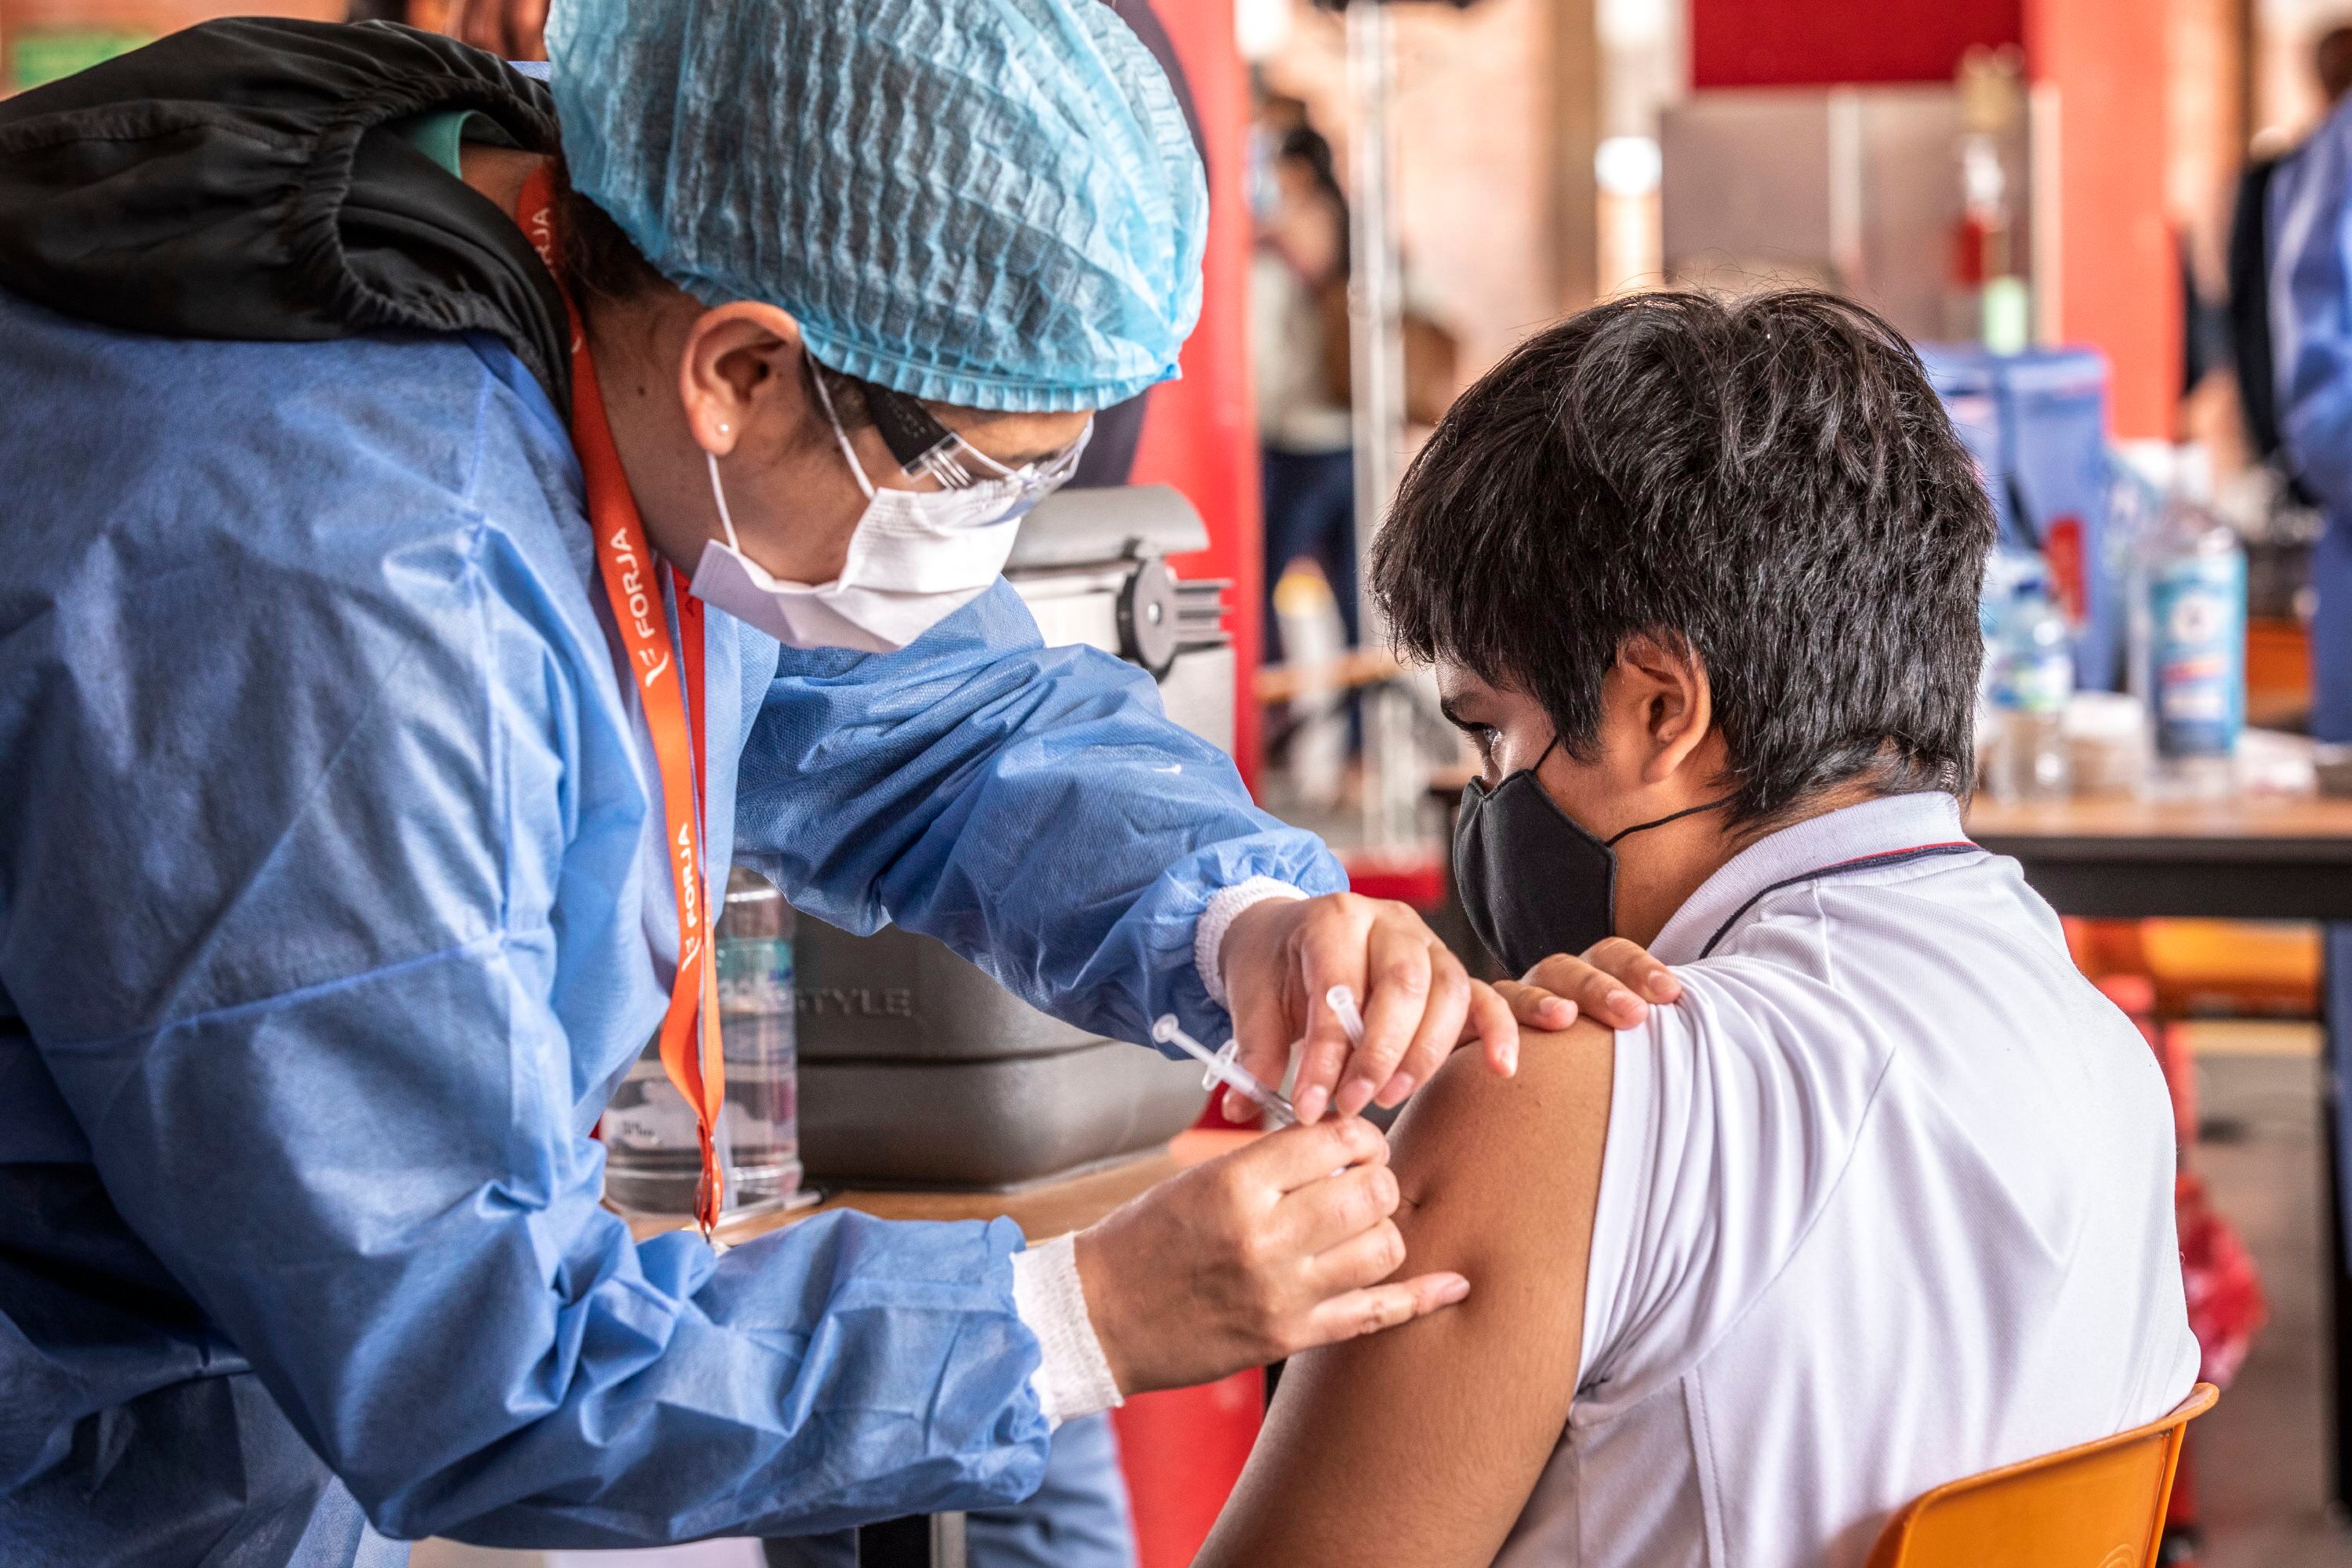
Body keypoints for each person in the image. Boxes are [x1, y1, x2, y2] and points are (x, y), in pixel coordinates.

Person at [0, 10, 1680, 1566]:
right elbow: (479, 1354)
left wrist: (1240, 918)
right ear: (739, 370)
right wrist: (1079, 1317)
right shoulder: (335, 594)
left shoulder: (574, 302)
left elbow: (950, 721)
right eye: (973, 480)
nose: (979, 554)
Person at [1196, 290, 2201, 1568]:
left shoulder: (1549, 1097)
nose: (1488, 796)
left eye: (1492, 731)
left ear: (1661, 707)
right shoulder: (2101, 1053)